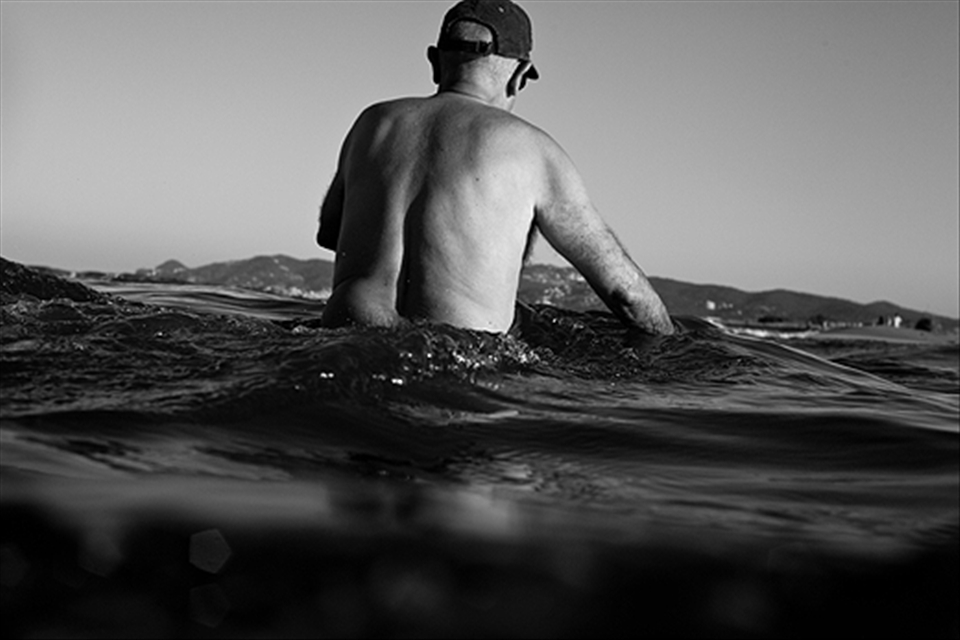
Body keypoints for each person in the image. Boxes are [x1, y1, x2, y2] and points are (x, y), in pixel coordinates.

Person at [317, 0, 674, 335]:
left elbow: (329, 233)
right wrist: (674, 346)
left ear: (434, 62)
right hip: (455, 359)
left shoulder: (371, 123)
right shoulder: (533, 150)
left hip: (343, 336)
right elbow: (625, 295)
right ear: (519, 75)